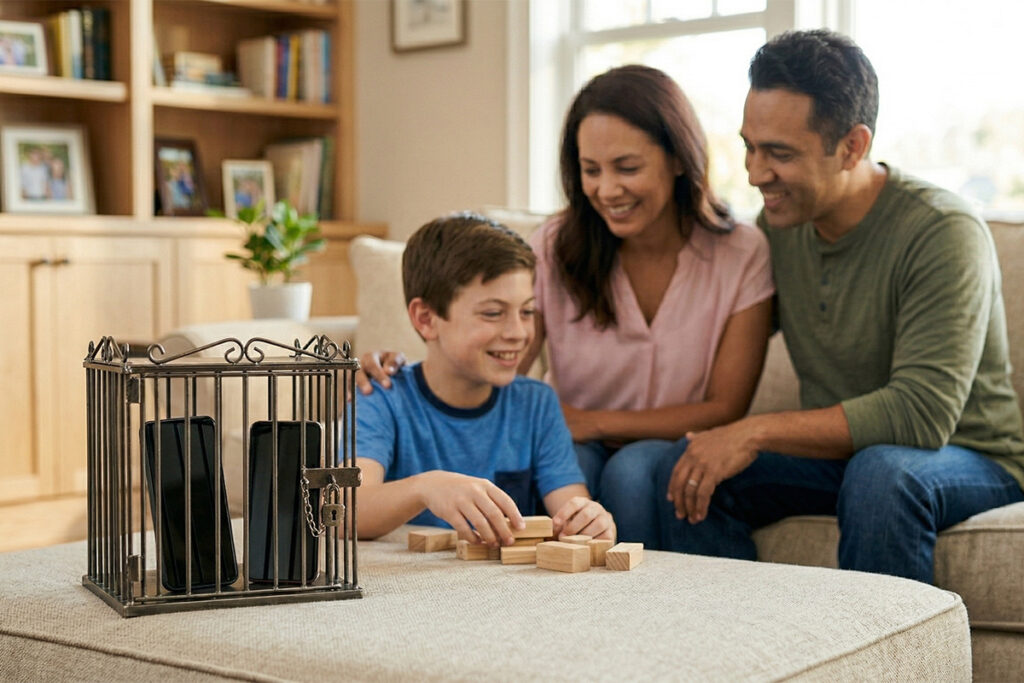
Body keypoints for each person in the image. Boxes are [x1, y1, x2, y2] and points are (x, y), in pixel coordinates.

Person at [656, 29, 1024, 584]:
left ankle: (888, 643)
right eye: (750, 147)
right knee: (687, 470)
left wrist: (753, 431)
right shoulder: (778, 229)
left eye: (780, 153)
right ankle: (741, 637)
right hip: (842, 461)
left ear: (853, 146)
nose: (755, 173)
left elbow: (921, 414)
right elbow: (710, 335)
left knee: (883, 472)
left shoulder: (942, 231)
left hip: (967, 457)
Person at [358, 66, 774, 548]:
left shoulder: (740, 252)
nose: (606, 190)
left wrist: (588, 424)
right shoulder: (556, 246)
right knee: (592, 471)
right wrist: (391, 367)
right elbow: (491, 360)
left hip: (654, 441)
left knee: (631, 471)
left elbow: (724, 407)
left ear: (678, 158)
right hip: (573, 440)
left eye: (627, 167)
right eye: (591, 170)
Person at [354, 211, 615, 547]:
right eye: (493, 313)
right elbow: (346, 510)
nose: (518, 333)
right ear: (426, 319)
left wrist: (592, 521)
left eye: (527, 311)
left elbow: (573, 509)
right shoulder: (381, 396)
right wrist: (425, 488)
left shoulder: (537, 403)